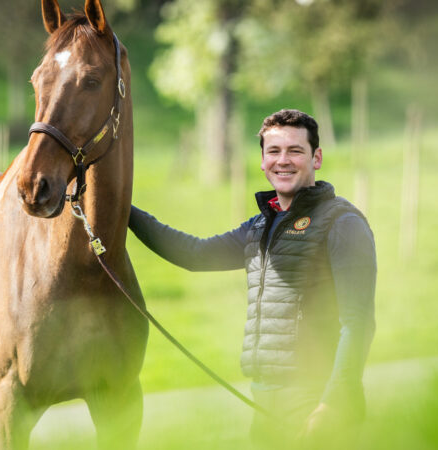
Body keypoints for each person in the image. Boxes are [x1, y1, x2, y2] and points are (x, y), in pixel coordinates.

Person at [128, 109, 376, 448]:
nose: (283, 161)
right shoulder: (261, 225)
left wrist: (333, 403)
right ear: (262, 160)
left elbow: (358, 323)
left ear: (316, 157)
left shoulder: (343, 222)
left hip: (316, 396)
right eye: (273, 151)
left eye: (295, 151)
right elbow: (195, 255)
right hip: (264, 398)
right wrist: (121, 210)